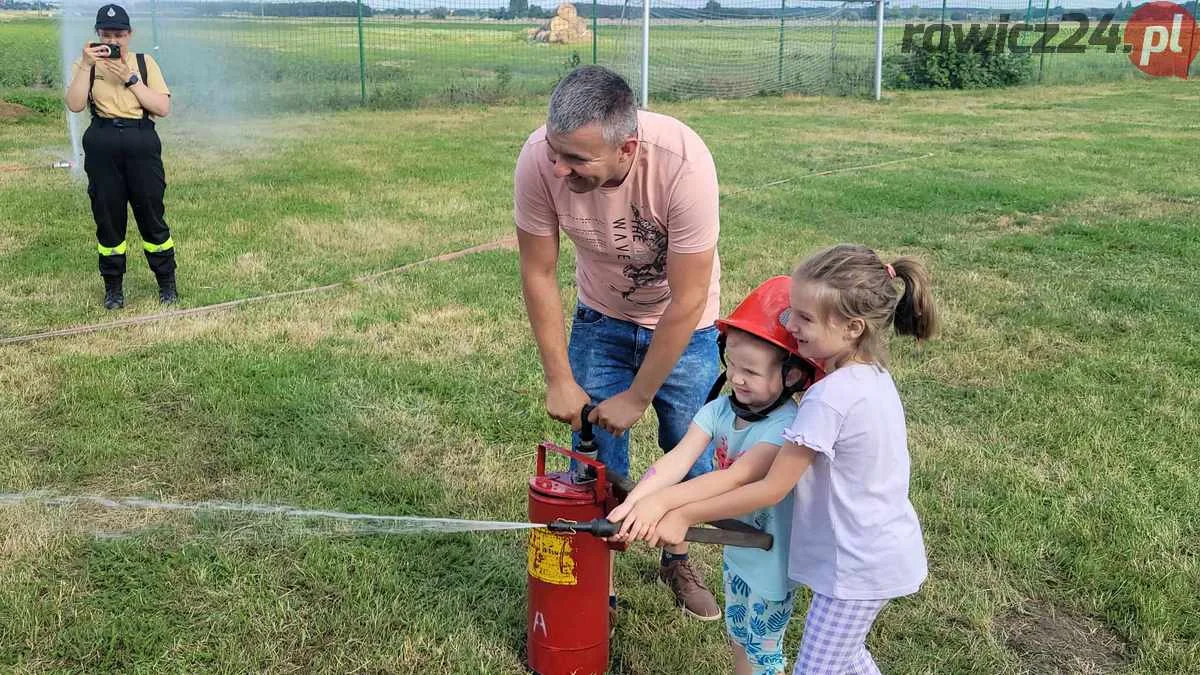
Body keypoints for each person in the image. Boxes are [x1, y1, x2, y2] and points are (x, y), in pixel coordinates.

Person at [639, 244, 938, 674]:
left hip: (857, 567)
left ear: (853, 327)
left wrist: (684, 514)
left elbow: (768, 488)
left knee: (816, 668)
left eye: (803, 318)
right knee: (846, 659)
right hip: (869, 554)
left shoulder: (830, 398)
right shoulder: (868, 376)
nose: (788, 324)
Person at [513, 65, 724, 620]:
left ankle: (677, 556)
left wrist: (636, 397)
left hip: (686, 328)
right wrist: (559, 378)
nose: (560, 168)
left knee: (688, 451)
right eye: (556, 152)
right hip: (599, 319)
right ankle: (595, 582)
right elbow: (538, 273)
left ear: (627, 147)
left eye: (577, 160)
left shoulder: (683, 163)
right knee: (594, 463)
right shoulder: (539, 157)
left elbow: (688, 298)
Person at [607, 276, 822, 675]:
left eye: (752, 373)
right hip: (740, 553)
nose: (737, 379)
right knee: (740, 638)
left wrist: (668, 506)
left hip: (773, 562)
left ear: (792, 376)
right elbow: (677, 460)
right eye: (733, 365)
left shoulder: (785, 426)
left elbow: (735, 478)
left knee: (765, 655)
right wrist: (634, 506)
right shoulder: (721, 409)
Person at [65, 4, 176, 310]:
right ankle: (113, 287)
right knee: (108, 216)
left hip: (141, 140)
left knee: (151, 212)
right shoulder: (85, 65)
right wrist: (87, 66)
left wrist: (130, 77)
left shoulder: (144, 63)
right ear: (97, 35)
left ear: (130, 34)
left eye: (119, 34)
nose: (113, 41)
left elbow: (162, 108)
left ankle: (166, 281)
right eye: (106, 34)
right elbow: (75, 105)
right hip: (103, 140)